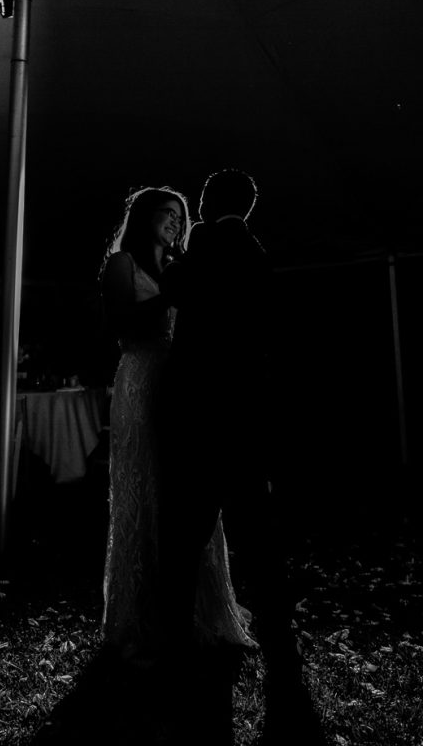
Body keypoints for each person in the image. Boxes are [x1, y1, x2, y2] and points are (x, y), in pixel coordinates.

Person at [157, 168, 326, 743]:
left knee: (184, 534)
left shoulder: (207, 245)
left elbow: (174, 291)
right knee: (256, 536)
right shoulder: (257, 253)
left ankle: (174, 642)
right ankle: (281, 647)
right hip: (246, 419)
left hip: (199, 418)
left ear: (208, 203)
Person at [99, 185, 255, 670]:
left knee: (184, 495)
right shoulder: (122, 264)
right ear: (145, 216)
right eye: (167, 213)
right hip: (141, 378)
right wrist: (167, 297)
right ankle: (141, 617)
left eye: (180, 216)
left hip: (185, 386)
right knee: (145, 490)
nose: (175, 223)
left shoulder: (181, 263)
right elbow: (118, 321)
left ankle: (201, 612)